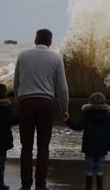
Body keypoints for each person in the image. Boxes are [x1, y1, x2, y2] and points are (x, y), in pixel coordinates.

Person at [13, 28, 69, 190]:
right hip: (46, 103)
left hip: (26, 102)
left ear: (35, 40)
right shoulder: (56, 58)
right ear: (50, 43)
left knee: (26, 146)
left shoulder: (22, 56)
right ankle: (40, 184)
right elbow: (62, 89)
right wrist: (64, 108)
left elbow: (16, 84)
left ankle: (25, 184)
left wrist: (20, 102)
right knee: (43, 147)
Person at [63, 92, 110, 190]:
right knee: (100, 168)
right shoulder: (108, 117)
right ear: (104, 103)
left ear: (90, 103)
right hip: (102, 147)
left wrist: (67, 120)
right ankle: (100, 187)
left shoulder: (87, 115)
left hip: (89, 147)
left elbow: (78, 127)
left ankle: (88, 187)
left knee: (89, 169)